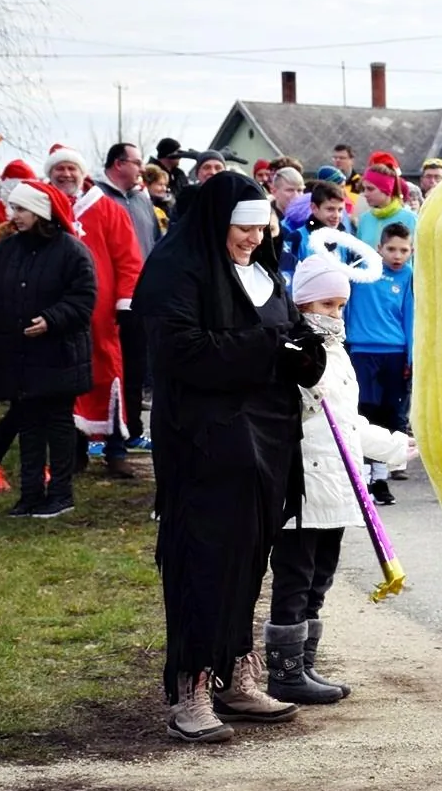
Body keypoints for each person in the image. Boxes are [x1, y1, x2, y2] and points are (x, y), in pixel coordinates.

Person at [133, 171, 328, 743]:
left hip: (266, 443)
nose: (252, 237)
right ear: (218, 222)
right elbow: (180, 351)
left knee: (249, 558)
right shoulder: (179, 272)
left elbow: (288, 335)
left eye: (259, 227)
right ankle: (189, 687)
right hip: (205, 442)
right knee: (203, 563)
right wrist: (270, 347)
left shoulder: (263, 273)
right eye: (242, 227)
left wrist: (305, 350)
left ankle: (236, 673)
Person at [268, 247, 414, 704]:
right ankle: (285, 673)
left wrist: (396, 447)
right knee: (295, 576)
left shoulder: (338, 352)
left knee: (320, 577)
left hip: (338, 487)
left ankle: (305, 665)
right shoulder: (294, 350)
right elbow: (288, 413)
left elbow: (349, 423)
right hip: (303, 487)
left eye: (341, 305)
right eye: (326, 304)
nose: (335, 313)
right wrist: (305, 387)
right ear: (304, 304)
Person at [0, 180, 97, 518]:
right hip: (17, 355)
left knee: (57, 425)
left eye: (22, 208)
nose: (15, 215)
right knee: (28, 424)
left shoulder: (71, 251)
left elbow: (84, 299)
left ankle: (60, 494)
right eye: (14, 208)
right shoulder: (4, 251)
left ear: (41, 212)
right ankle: (30, 495)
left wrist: (52, 320)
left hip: (58, 353)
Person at [44, 145, 143, 479]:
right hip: (59, 316)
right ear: (50, 172)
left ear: (83, 172)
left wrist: (125, 303)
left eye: (72, 168)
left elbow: (129, 259)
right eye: (60, 169)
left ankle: (115, 451)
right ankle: (75, 451)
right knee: (65, 380)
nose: (66, 175)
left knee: (109, 377)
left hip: (103, 317)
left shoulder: (109, 210)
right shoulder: (44, 210)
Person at [345, 221, 415, 505]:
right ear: (379, 249)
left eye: (404, 250)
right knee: (363, 413)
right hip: (361, 350)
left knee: (390, 414)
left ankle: (381, 479)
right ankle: (360, 478)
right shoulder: (361, 270)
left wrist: (411, 357)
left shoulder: (408, 275)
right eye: (392, 249)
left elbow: (410, 316)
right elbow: (345, 304)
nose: (398, 256)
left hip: (395, 352)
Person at [97, 143, 160, 453]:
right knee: (107, 368)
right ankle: (100, 433)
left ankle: (133, 428)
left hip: (140, 298)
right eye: (136, 162)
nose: (141, 168)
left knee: (135, 366)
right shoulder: (97, 197)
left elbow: (154, 244)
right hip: (105, 299)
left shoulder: (141, 201)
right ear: (119, 164)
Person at [355, 167, 418, 247]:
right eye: (364, 189)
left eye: (370, 189)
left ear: (387, 190)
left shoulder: (411, 219)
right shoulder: (364, 218)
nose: (365, 194)